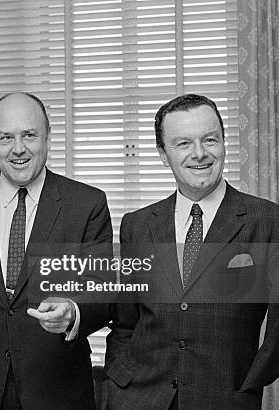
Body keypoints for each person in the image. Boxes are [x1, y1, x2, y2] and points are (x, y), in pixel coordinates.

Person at [0, 92, 113, 409]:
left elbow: (102, 292)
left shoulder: (86, 204)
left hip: (58, 388)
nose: (18, 148)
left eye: (29, 135)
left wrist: (72, 311)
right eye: (6, 138)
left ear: (47, 137)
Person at [104, 94, 279, 409]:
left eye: (210, 140)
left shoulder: (267, 222)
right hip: (139, 397)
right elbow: (126, 321)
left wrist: (250, 382)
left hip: (224, 398)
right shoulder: (138, 225)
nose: (200, 154)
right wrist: (117, 385)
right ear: (163, 154)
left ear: (224, 142)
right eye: (183, 143)